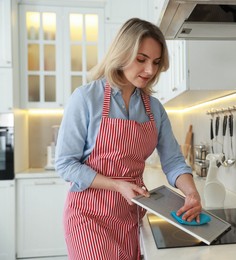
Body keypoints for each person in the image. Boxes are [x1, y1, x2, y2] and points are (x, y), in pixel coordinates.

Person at [55, 18, 202, 260]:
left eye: (156, 63)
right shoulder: (85, 98)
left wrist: (191, 193)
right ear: (122, 53)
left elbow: (174, 161)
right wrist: (116, 184)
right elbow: (66, 165)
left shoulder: (153, 108)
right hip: (88, 217)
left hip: (132, 215)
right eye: (141, 59)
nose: (150, 71)